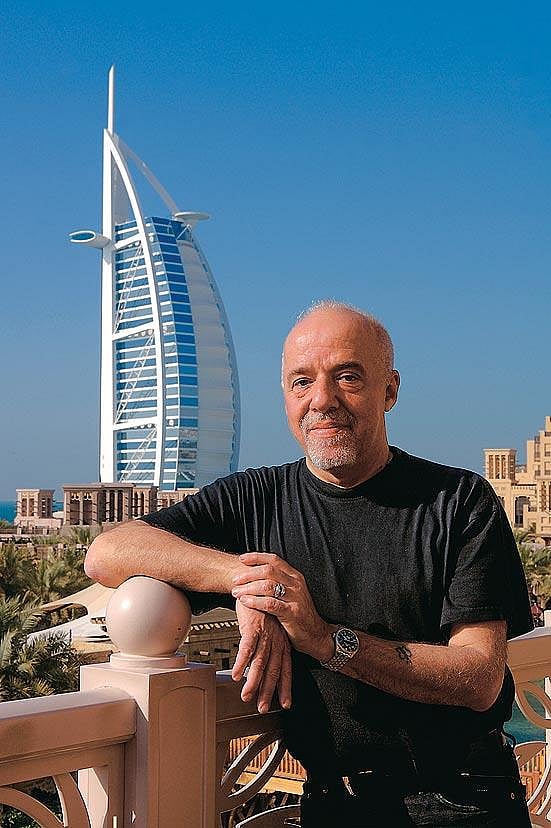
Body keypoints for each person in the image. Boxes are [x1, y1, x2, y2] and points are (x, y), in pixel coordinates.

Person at [85, 301, 533, 827]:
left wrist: (323, 639)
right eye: (301, 382)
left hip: (463, 803)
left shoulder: (458, 501)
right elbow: (108, 551)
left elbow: (479, 678)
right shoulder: (256, 499)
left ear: (389, 391)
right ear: (285, 398)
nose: (322, 400)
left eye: (347, 377)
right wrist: (250, 582)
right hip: (333, 804)